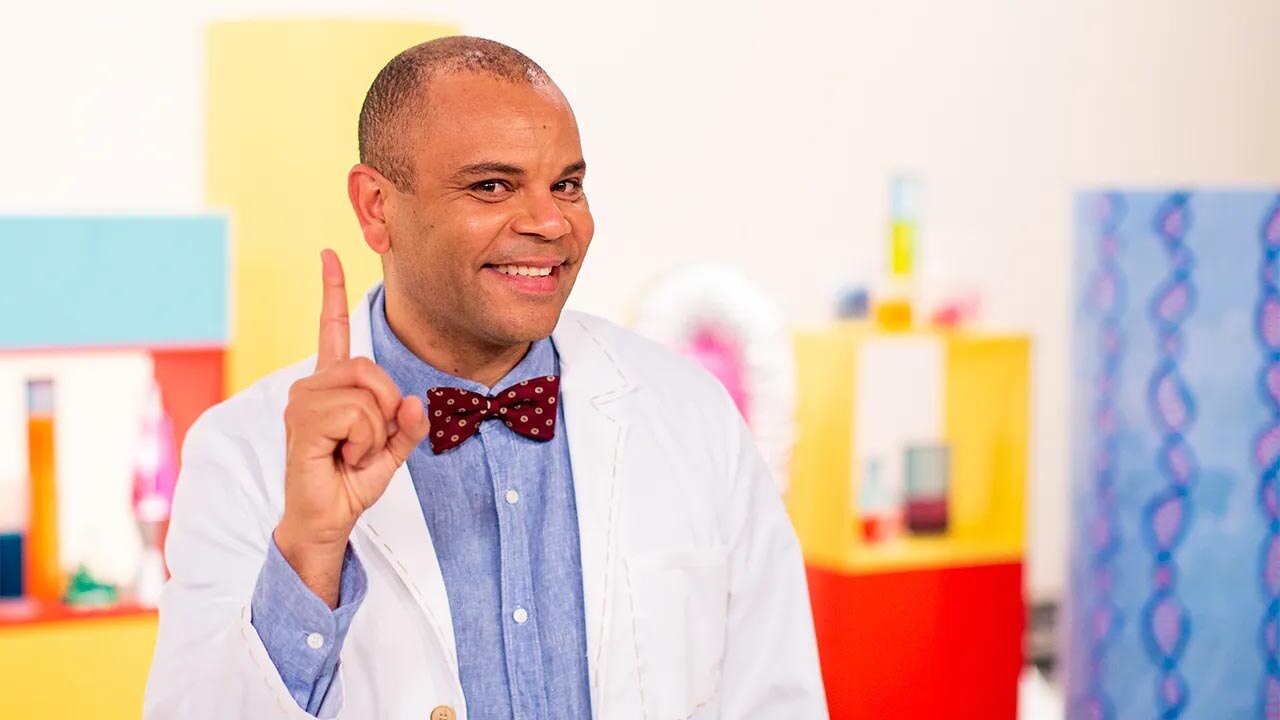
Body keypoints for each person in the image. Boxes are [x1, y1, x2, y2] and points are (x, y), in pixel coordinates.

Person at [143, 36, 826, 719]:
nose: (551, 222)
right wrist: (310, 551)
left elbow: (778, 696)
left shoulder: (690, 415)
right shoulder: (239, 455)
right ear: (376, 207)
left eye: (567, 185)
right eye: (492, 186)